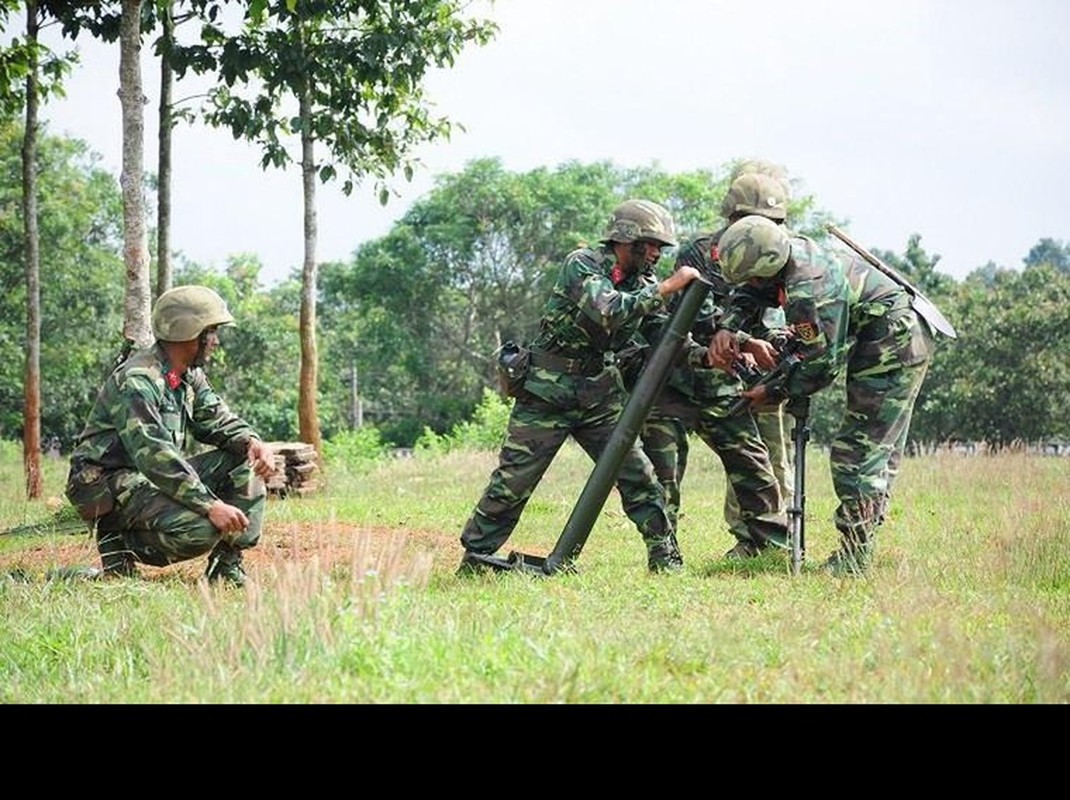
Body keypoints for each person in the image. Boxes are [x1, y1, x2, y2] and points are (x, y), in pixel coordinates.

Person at [459, 199, 701, 574]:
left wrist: (714, 354)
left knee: (639, 475)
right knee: (513, 483)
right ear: (626, 240)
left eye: (661, 247)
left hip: (599, 396)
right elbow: (607, 310)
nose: (657, 253)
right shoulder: (583, 264)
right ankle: (475, 558)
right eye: (651, 244)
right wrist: (670, 287)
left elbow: (662, 338)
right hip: (545, 394)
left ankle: (665, 558)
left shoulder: (646, 284)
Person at [710, 215, 935, 576]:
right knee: (863, 452)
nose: (750, 285)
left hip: (895, 339)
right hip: (875, 329)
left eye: (754, 277)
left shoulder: (809, 289)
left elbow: (820, 366)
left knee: (858, 453)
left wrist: (773, 390)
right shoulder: (780, 255)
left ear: (770, 267)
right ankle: (857, 548)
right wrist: (727, 329)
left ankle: (853, 559)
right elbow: (750, 292)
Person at [628, 165, 795, 559]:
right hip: (676, 377)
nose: (764, 226)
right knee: (663, 473)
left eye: (771, 221)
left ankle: (768, 548)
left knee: (753, 466)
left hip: (726, 381)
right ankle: (664, 555)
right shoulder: (699, 253)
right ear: (733, 217)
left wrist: (767, 342)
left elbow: (766, 314)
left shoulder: (776, 253)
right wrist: (740, 337)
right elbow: (695, 315)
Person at [65, 285, 276, 586]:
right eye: (211, 331)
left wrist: (252, 442)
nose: (215, 341)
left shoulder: (187, 374)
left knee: (243, 460)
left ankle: (226, 569)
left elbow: (216, 419)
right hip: (108, 483)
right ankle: (116, 549)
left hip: (150, 477)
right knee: (202, 530)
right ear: (191, 332)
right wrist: (209, 505)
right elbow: (154, 455)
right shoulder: (139, 380)